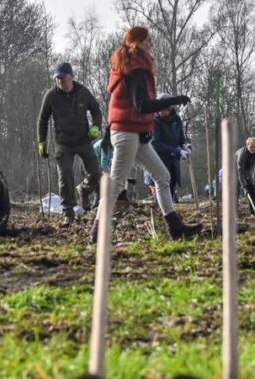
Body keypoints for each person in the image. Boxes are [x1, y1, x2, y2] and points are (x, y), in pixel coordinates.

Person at [92, 26, 201, 242]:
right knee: (115, 186)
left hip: (135, 133)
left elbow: (134, 108)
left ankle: (175, 227)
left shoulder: (134, 66)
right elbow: (141, 105)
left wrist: (144, 131)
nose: (151, 43)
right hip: (126, 134)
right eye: (148, 40)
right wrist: (174, 100)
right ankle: (97, 233)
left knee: (163, 176)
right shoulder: (135, 68)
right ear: (137, 42)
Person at [37, 62, 103, 226]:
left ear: (71, 76)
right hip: (63, 143)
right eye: (57, 78)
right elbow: (42, 119)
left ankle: (84, 190)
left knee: (95, 173)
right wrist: (42, 141)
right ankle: (68, 212)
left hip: (83, 140)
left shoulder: (83, 92)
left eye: (63, 78)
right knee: (65, 176)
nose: (60, 81)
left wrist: (95, 127)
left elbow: (96, 111)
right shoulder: (51, 96)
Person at [152, 95, 190, 201]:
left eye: (164, 109)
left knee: (172, 183)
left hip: (174, 161)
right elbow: (156, 144)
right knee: (163, 183)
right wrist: (176, 151)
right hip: (161, 159)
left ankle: (171, 209)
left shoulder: (177, 120)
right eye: (160, 109)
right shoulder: (155, 122)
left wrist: (185, 145)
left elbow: (181, 138)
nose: (162, 112)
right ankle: (162, 209)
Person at [235, 137, 255, 212]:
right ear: (247, 145)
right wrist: (244, 186)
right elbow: (240, 171)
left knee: (252, 189)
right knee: (236, 189)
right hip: (233, 169)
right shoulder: (242, 155)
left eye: (254, 147)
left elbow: (249, 166)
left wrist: (248, 177)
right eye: (251, 147)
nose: (253, 149)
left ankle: (253, 211)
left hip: (245, 170)